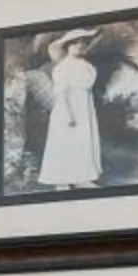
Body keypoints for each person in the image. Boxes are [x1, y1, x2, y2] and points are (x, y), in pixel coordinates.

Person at [36, 29, 103, 190]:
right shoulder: (62, 68)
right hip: (67, 108)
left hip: (84, 107)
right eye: (75, 42)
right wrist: (69, 115)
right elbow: (61, 93)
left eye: (83, 43)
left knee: (83, 142)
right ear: (67, 46)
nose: (79, 46)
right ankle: (62, 180)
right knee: (65, 142)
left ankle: (83, 178)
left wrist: (82, 113)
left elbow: (87, 87)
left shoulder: (88, 67)